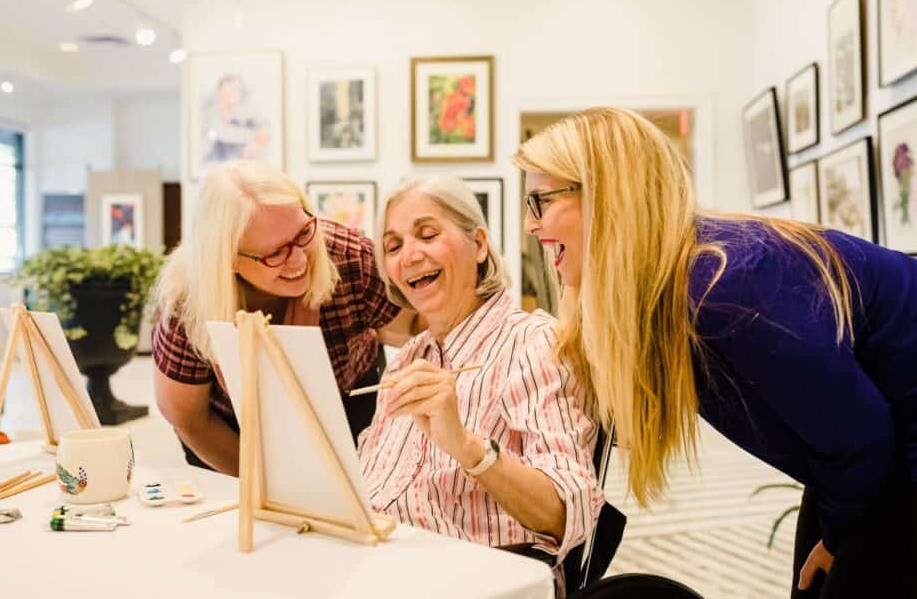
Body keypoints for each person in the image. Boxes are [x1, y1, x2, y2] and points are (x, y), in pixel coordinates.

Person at [514, 106, 917, 598]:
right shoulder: (674, 280)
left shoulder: (721, 283)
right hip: (874, 450)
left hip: (915, 444)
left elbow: (862, 440)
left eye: (540, 201)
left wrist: (843, 536)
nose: (530, 224)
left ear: (608, 196)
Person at [359, 177, 603, 595]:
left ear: (479, 245)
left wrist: (466, 446)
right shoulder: (407, 360)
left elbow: (568, 514)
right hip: (378, 567)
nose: (410, 255)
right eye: (393, 245)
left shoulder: (532, 342)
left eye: (427, 234)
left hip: (475, 580)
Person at [152, 161, 421, 475]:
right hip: (231, 431)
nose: (299, 260)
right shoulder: (187, 299)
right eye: (275, 253)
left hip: (345, 405)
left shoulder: (347, 255)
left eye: (304, 232)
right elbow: (189, 419)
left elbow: (409, 328)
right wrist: (266, 484)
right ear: (229, 259)